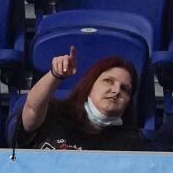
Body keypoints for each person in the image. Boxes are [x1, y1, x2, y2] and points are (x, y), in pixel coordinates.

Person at [15, 48, 145, 151]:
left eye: (125, 89)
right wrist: (55, 75)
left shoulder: (130, 144)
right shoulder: (53, 114)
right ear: (90, 85)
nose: (116, 90)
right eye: (108, 81)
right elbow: (32, 108)